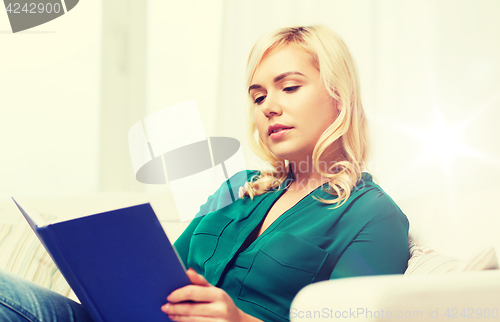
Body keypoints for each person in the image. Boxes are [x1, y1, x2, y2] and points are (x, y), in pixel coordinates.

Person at [0, 25, 409, 322]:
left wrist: (238, 321)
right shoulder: (237, 188)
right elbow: (166, 274)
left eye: (289, 87)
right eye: (258, 95)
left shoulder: (375, 215)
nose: (267, 106)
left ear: (339, 95)